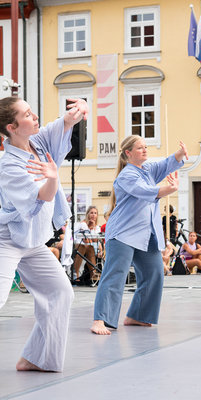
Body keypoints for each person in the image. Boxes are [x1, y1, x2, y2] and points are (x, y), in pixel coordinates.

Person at [0, 96, 88, 371]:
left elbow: (64, 123)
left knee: (61, 292)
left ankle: (36, 358)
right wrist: (51, 177)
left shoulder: (38, 142)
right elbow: (42, 198)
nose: (34, 116)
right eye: (27, 114)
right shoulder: (8, 166)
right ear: (12, 127)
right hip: (7, 241)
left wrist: (79, 108)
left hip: (33, 242)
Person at [91, 136, 187, 335]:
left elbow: (166, 164)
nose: (145, 150)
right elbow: (144, 192)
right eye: (140, 148)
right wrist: (167, 189)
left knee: (155, 274)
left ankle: (137, 315)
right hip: (123, 234)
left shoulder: (148, 171)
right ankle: (100, 320)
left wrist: (179, 154)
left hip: (146, 234)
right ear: (128, 153)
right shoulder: (127, 175)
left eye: (145, 147)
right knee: (115, 276)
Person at [73, 205, 103, 281]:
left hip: (92, 247)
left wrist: (92, 227)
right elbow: (86, 240)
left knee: (90, 247)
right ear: (88, 214)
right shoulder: (83, 224)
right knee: (84, 246)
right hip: (78, 245)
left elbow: (96, 240)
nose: (93, 215)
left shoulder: (97, 227)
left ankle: (93, 274)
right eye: (91, 213)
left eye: (95, 213)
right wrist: (91, 230)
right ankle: (75, 273)